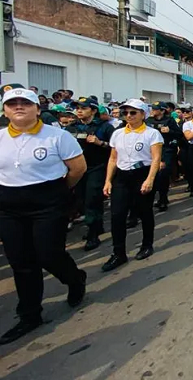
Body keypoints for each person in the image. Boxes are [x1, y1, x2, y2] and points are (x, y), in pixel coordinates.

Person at [0, 88, 88, 344]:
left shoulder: (58, 137)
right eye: (12, 103)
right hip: (9, 208)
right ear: (5, 110)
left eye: (25, 103)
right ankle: (30, 315)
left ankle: (75, 279)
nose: (18, 107)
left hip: (48, 204)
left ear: (37, 109)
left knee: (49, 254)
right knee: (21, 262)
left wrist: (57, 193)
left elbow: (77, 169)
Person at [101, 99, 164, 272]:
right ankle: (118, 253)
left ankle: (147, 244)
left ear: (143, 114)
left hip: (142, 174)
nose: (128, 116)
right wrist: (108, 180)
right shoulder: (118, 133)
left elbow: (156, 158)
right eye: (126, 113)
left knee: (144, 211)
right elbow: (113, 159)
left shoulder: (152, 134)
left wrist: (150, 179)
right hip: (122, 177)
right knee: (117, 215)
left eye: (133, 112)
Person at [66, 96, 115, 250]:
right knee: (81, 199)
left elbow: (116, 149)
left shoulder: (105, 127)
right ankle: (97, 225)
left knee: (92, 200)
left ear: (93, 110)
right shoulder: (71, 128)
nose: (79, 111)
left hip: (98, 167)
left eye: (84, 108)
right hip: (78, 169)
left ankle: (93, 235)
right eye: (77, 108)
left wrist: (100, 143)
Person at [146, 101, 182, 212]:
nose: (152, 111)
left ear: (162, 110)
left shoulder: (169, 120)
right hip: (151, 151)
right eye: (152, 108)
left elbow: (179, 134)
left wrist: (169, 131)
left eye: (155, 109)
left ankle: (163, 199)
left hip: (166, 150)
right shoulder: (148, 121)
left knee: (163, 174)